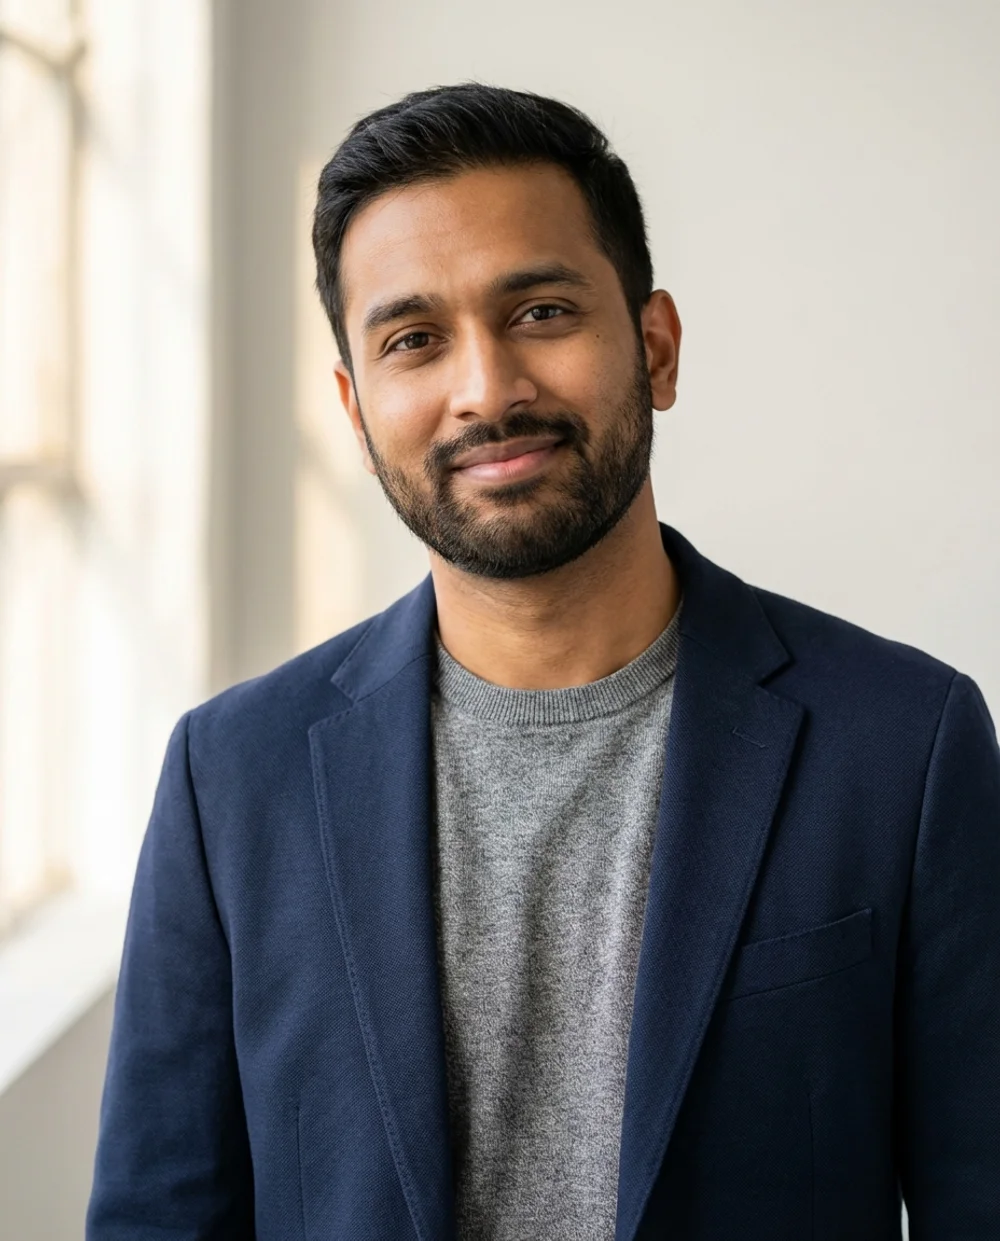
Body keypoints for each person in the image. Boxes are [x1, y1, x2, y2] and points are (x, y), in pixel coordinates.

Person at [87, 83, 1000, 1241]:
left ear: (654, 346)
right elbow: (159, 1215)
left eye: (541, 311)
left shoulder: (904, 743)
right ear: (356, 412)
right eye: (414, 340)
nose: (486, 390)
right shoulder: (231, 776)